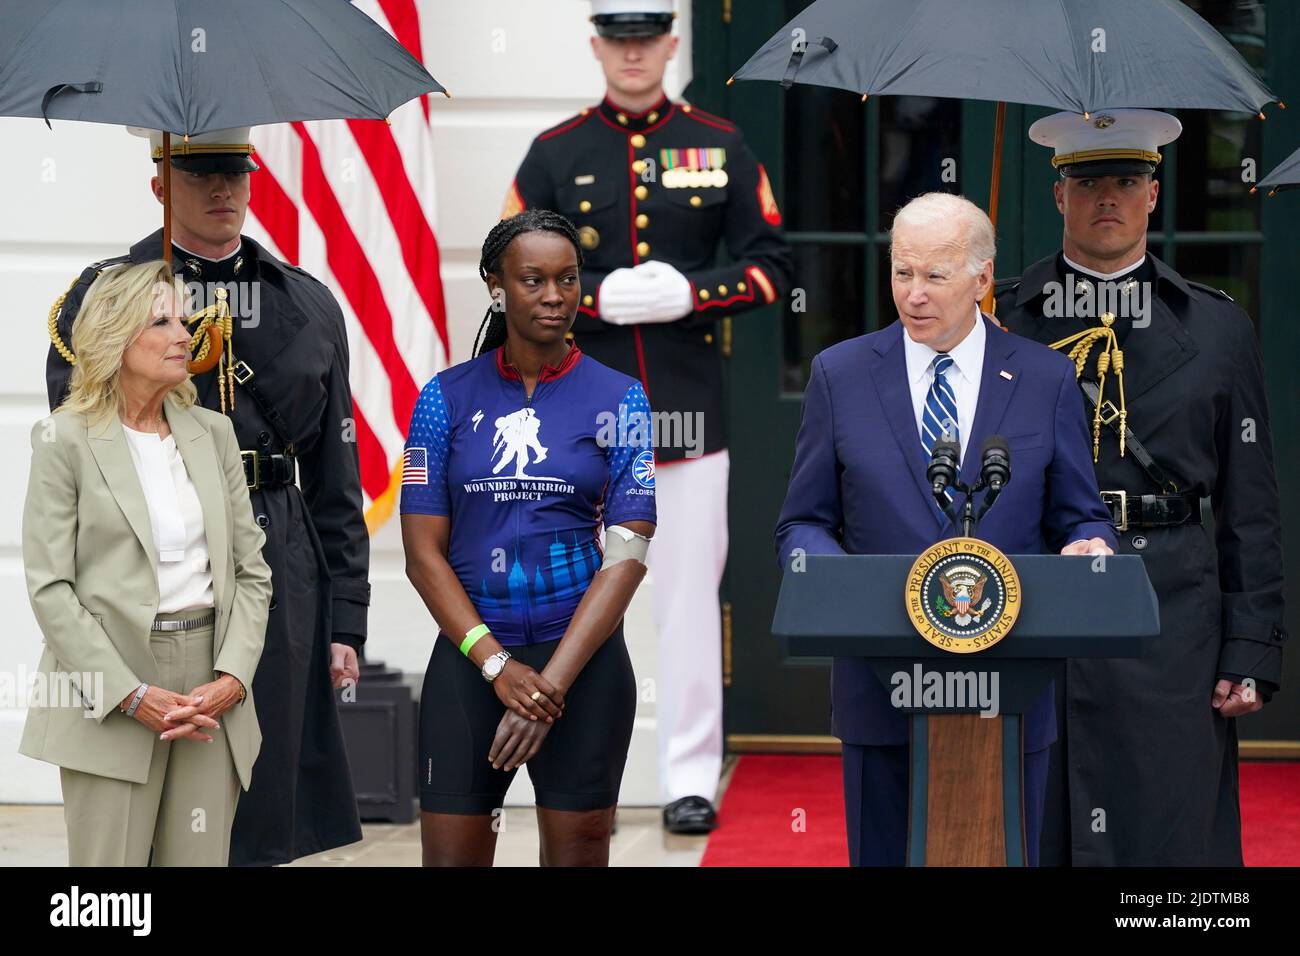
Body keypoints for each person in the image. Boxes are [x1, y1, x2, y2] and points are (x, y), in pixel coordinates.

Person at [502, 0, 793, 833]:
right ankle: (582, 766)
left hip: (684, 412)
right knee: (564, 595)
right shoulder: (555, 153)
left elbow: (771, 264)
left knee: (688, 600)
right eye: (618, 43)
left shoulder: (718, 142)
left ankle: (689, 775)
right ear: (598, 48)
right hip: (572, 413)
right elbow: (510, 263)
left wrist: (691, 293)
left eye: (647, 41)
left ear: (670, 45)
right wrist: (590, 295)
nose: (634, 56)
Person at [43, 127, 369, 866]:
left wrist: (346, 617)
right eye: (199, 173)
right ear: (159, 182)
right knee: (131, 801)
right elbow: (82, 456)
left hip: (274, 557)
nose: (223, 189)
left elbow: (334, 473)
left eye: (234, 172)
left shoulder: (307, 303)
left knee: (261, 781)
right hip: (145, 561)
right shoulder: (101, 299)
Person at [774, 193, 1116, 867]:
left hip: (1008, 685)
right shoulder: (840, 375)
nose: (914, 294)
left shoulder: (1045, 377)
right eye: (903, 273)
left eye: (934, 276)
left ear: (982, 279)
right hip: (880, 684)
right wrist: (830, 576)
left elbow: (1080, 510)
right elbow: (804, 521)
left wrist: (1089, 543)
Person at [995, 109, 1287, 866]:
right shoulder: (1003, 320)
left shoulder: (1217, 328)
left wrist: (1250, 645)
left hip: (1172, 609)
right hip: (1039, 597)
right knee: (1037, 819)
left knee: (1167, 822)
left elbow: (1251, 504)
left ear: (1153, 195)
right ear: (1059, 194)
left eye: (1128, 180)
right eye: (1087, 181)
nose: (1108, 198)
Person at [401, 210, 656, 866]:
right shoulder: (443, 398)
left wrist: (547, 689)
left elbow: (628, 555)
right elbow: (422, 553)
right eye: (533, 280)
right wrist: (496, 666)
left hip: (583, 665)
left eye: (567, 279)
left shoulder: (622, 398)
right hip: (470, 664)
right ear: (496, 286)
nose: (553, 295)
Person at [21, 260, 272, 866]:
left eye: (183, 319)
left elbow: (251, 572)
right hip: (108, 689)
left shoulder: (213, 433)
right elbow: (51, 589)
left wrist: (233, 680)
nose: (186, 334)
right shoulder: (65, 440)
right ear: (115, 335)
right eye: (163, 321)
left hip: (211, 687)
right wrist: (132, 695)